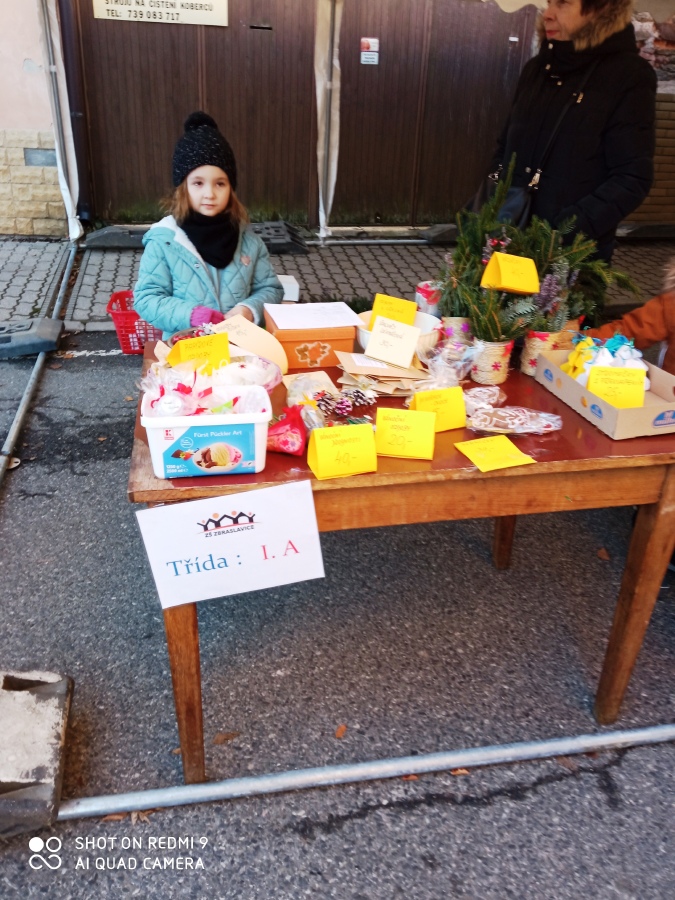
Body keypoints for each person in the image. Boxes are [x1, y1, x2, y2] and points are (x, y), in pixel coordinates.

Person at [489, 0, 656, 262]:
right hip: (507, 242)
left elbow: (632, 178)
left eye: (563, 3)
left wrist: (560, 234)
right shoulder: (536, 69)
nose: (548, 14)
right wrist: (494, 202)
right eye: (549, 3)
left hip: (570, 260)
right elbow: (505, 148)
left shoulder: (629, 75)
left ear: (600, 9)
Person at [133, 112, 283, 338]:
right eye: (198, 183)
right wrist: (191, 314)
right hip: (186, 348)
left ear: (231, 188)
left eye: (220, 183)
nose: (210, 193)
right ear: (183, 188)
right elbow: (146, 299)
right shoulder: (165, 242)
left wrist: (249, 310)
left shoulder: (249, 241)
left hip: (239, 347)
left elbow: (271, 289)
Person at [586, 258, 675, 375]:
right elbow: (631, 330)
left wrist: (579, 340)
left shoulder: (671, 303)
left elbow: (630, 331)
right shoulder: (670, 304)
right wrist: (581, 339)